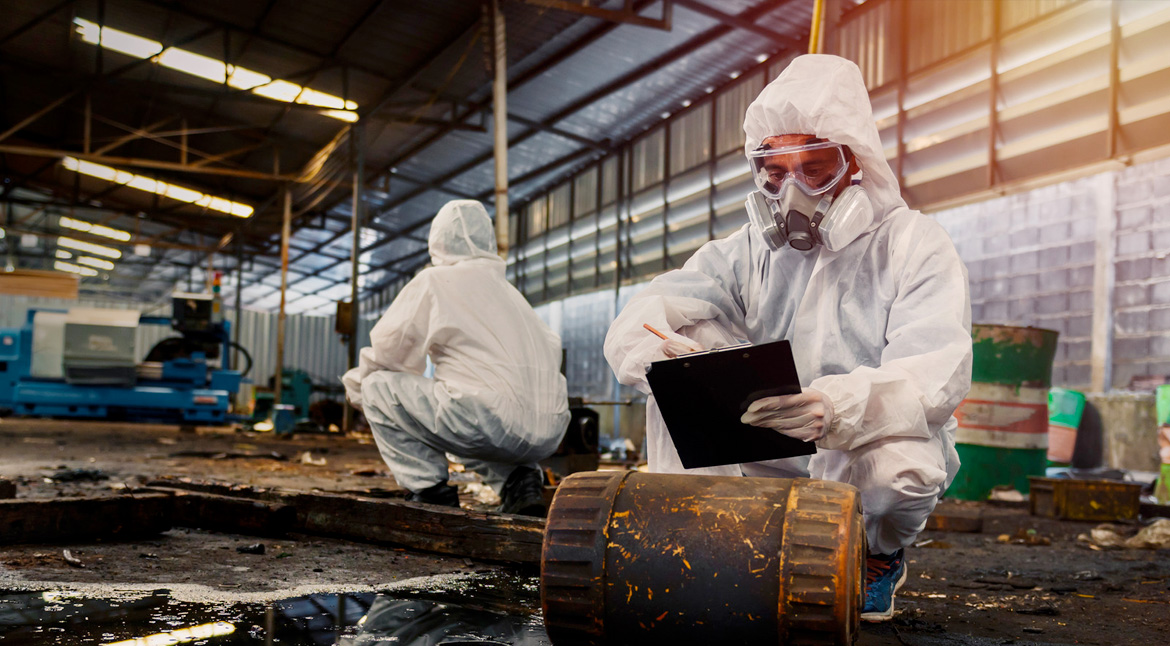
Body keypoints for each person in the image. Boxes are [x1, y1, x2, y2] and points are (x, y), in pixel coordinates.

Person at [603, 55, 972, 622]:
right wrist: (664, 359)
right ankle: (704, 543)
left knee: (901, 472)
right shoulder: (744, 252)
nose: (793, 189)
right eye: (775, 171)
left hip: (858, 446)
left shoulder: (912, 244)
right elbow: (648, 312)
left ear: (855, 161)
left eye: (815, 168)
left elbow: (934, 370)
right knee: (678, 345)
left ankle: (875, 554)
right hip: (761, 442)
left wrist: (836, 407)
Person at [342, 199, 569, 516]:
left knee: (377, 386)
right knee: (469, 417)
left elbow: (390, 353)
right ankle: (521, 483)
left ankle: (430, 491)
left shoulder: (435, 280)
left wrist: (356, 389)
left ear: (438, 240)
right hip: (548, 432)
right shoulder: (513, 297)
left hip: (486, 419)